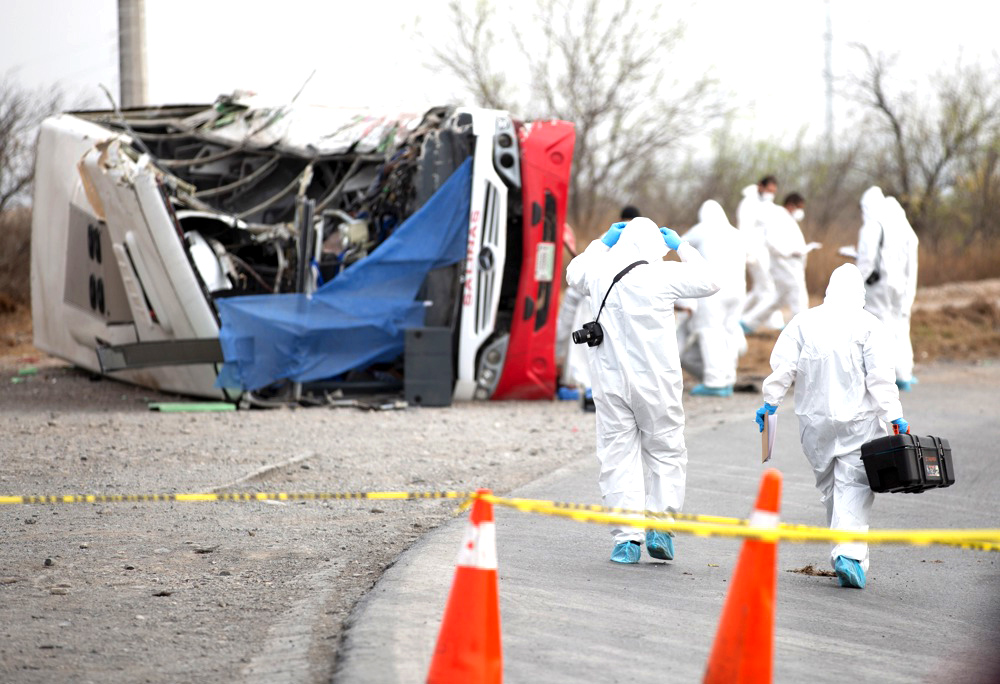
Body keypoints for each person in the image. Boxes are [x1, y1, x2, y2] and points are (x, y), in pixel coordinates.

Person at [566, 217, 720, 564]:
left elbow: (573, 273)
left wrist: (602, 241)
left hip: (611, 383)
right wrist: (682, 246)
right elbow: (711, 280)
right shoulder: (661, 274)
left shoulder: (600, 271)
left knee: (618, 455)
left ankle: (626, 540)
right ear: (656, 246)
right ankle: (660, 528)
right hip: (657, 383)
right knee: (665, 450)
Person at [754, 264, 909, 589]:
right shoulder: (869, 325)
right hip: (859, 425)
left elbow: (783, 367)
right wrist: (895, 416)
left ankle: (843, 549)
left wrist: (770, 403)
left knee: (830, 488)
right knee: (853, 485)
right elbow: (880, 378)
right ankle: (848, 556)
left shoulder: (804, 322)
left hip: (815, 425)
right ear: (860, 293)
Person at [679, 199, 747, 396]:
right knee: (729, 332)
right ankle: (728, 378)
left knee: (709, 332)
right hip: (737, 292)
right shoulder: (736, 233)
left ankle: (715, 382)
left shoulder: (702, 229)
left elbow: (681, 244)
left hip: (714, 291)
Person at [858, 191, 920, 390]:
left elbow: (867, 260)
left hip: (879, 287)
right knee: (897, 328)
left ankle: (884, 376)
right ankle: (903, 374)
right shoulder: (897, 226)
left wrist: (855, 281)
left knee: (880, 329)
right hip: (898, 285)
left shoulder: (873, 225)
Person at [741, 193, 819, 332]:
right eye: (799, 208)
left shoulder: (787, 219)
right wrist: (790, 252)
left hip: (790, 267)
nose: (800, 212)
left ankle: (748, 322)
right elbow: (771, 242)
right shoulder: (777, 217)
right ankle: (800, 330)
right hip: (784, 267)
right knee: (799, 298)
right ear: (790, 205)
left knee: (776, 300)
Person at [737, 176, 782, 329]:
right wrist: (747, 253)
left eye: (774, 191)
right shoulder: (748, 203)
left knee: (759, 289)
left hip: (766, 252)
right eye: (769, 190)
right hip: (754, 252)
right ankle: (774, 323)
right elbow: (743, 228)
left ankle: (735, 316)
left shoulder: (767, 205)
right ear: (760, 187)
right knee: (769, 287)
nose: (771, 193)